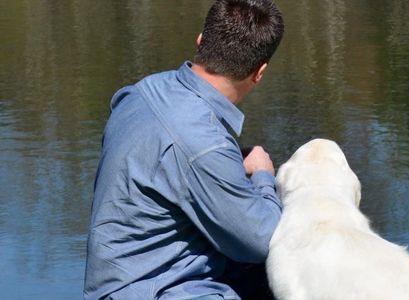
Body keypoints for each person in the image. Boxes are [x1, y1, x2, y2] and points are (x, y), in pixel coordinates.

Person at [84, 0, 284, 299]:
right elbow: (264, 241)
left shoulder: (140, 93)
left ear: (201, 41)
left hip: (115, 282)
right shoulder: (205, 144)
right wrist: (262, 176)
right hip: (159, 289)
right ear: (259, 72)